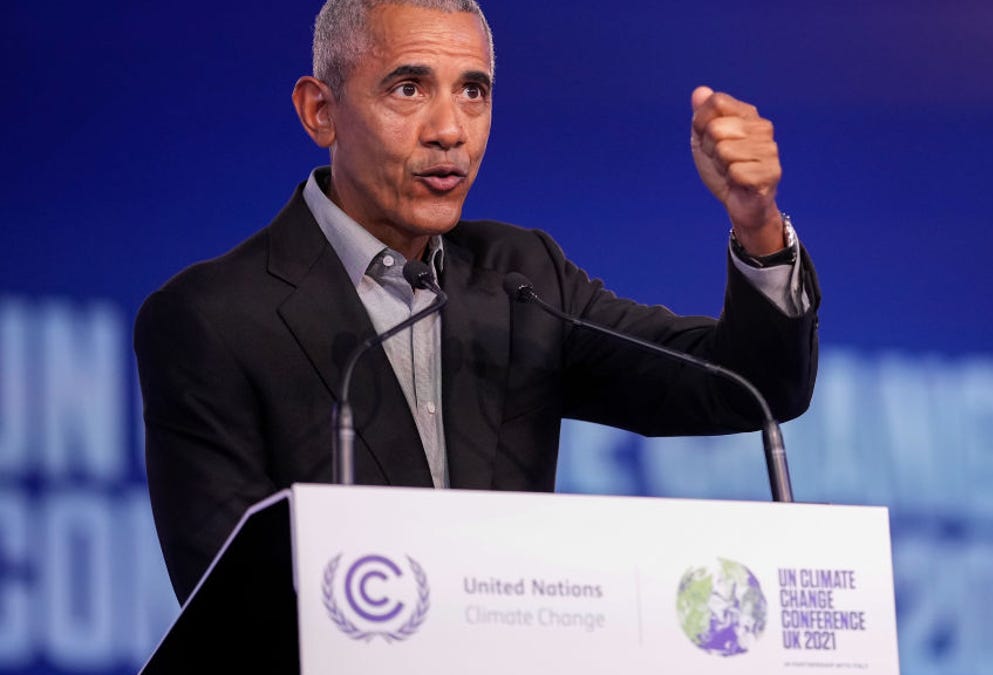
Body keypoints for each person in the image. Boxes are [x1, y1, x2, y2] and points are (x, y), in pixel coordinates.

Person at [134, 0, 821, 604]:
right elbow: (229, 608)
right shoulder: (214, 319)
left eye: (473, 92)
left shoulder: (521, 279)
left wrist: (756, 223)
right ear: (321, 111)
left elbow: (751, 386)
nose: (450, 130)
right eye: (408, 88)